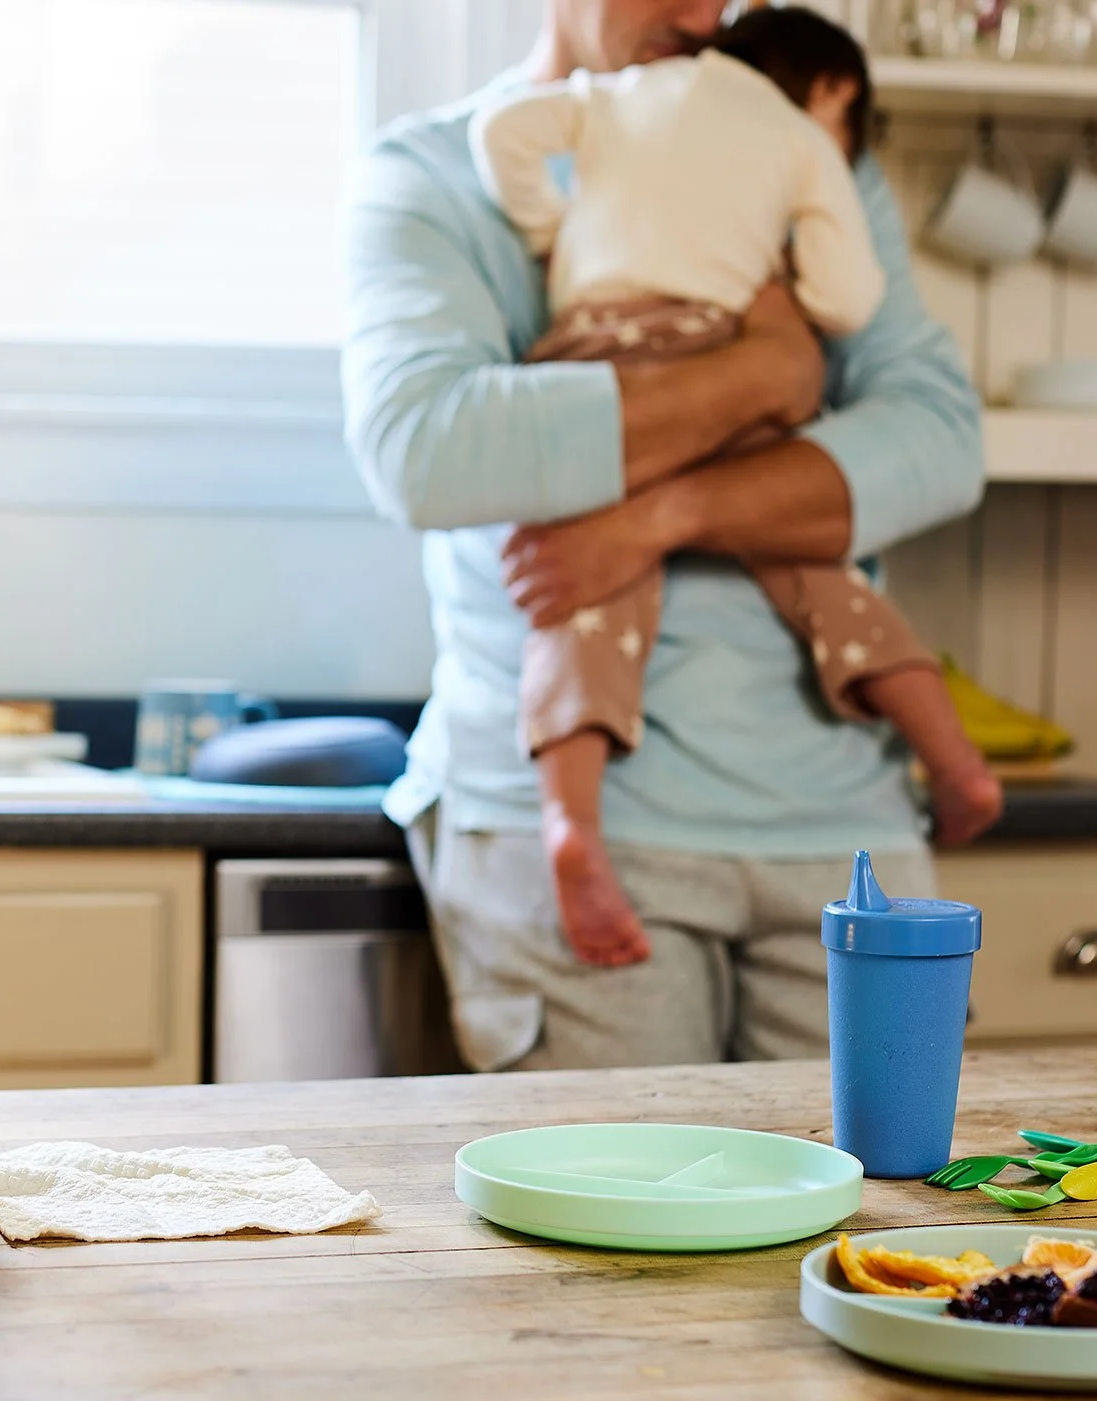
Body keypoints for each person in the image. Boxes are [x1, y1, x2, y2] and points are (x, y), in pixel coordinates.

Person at [341, 0, 987, 1071]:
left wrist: (656, 515)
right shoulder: (434, 173)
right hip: (571, 830)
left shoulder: (783, 138)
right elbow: (429, 450)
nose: (702, 17)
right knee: (629, 1237)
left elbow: (938, 437)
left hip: (844, 828)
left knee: (894, 1227)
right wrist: (766, 375)